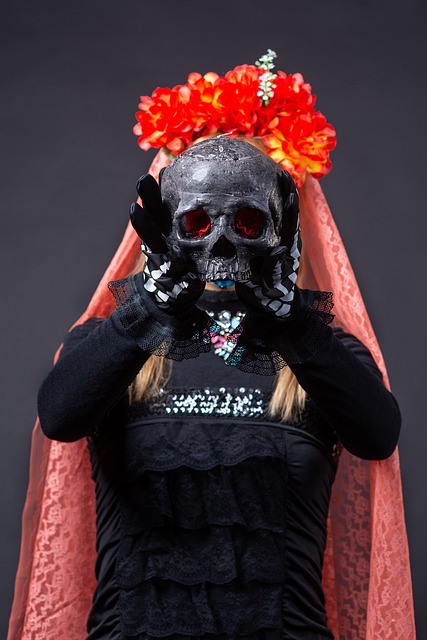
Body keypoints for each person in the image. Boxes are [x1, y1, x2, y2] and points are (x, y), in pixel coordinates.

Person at [8, 53, 415, 640]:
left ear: (284, 229)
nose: (223, 245)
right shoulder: (113, 342)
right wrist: (151, 309)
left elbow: (378, 436)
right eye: (198, 223)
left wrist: (289, 323)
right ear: (162, 227)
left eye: (248, 223)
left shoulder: (321, 351)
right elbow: (60, 417)